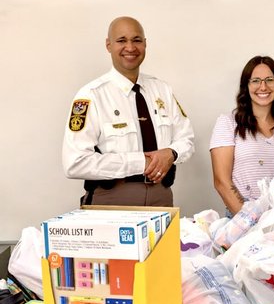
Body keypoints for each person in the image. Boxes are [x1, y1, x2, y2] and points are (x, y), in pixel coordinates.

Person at [62, 15, 194, 207]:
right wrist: (140, 163)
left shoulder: (162, 89)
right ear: (108, 45)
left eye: (137, 40)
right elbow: (75, 163)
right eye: (121, 40)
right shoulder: (92, 95)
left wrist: (171, 153)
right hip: (113, 200)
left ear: (145, 44)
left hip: (161, 196)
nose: (130, 48)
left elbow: (186, 139)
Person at [209, 55, 274, 215]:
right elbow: (222, 182)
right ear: (246, 86)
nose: (263, 86)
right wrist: (249, 223)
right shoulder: (228, 123)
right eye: (255, 80)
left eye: (269, 80)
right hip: (243, 217)